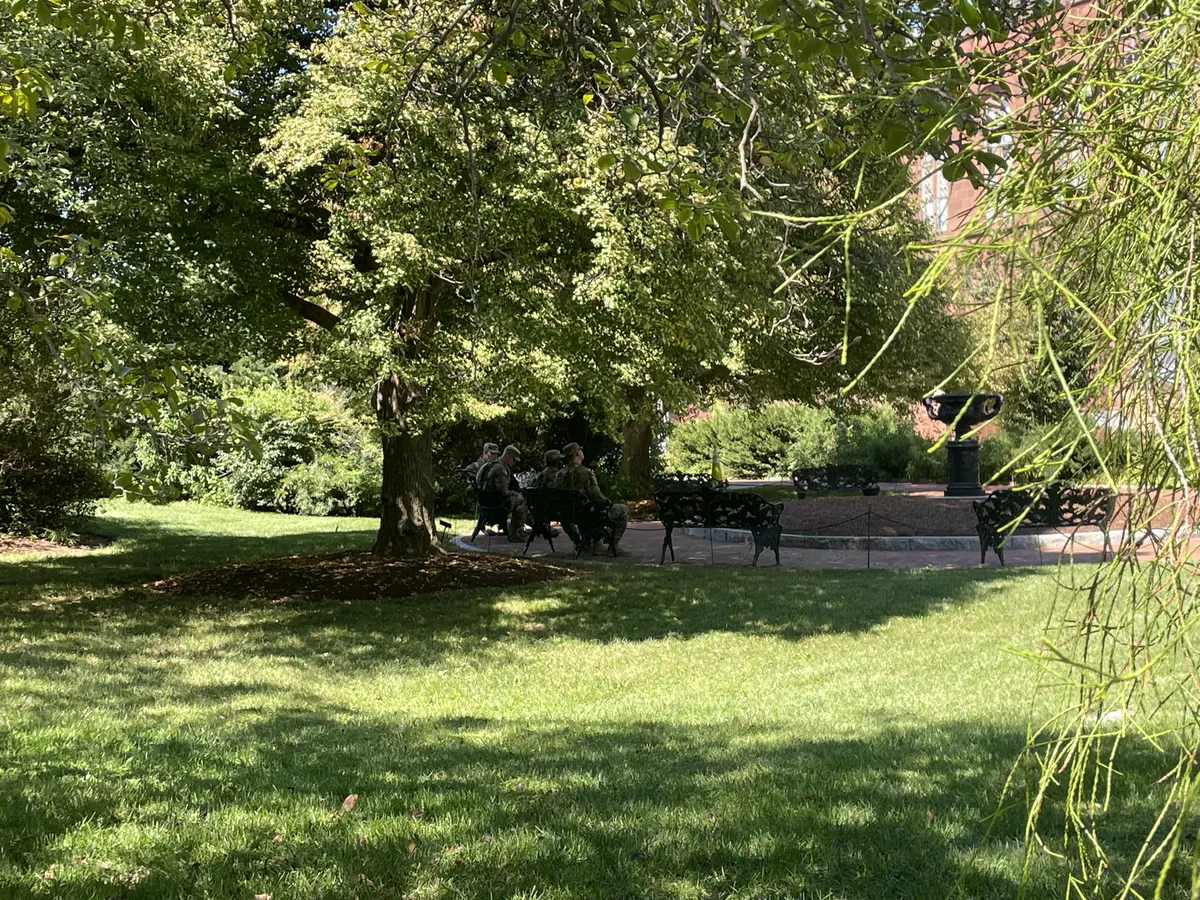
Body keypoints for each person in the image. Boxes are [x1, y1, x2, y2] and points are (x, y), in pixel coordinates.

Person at [555, 442, 628, 553]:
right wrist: (608, 502)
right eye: (580, 450)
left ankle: (589, 544)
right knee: (623, 510)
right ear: (577, 454)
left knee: (590, 510)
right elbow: (596, 495)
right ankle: (614, 545)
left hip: (569, 513)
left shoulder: (560, 474)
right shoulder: (585, 472)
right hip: (588, 513)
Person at [476, 444, 527, 540]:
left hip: (485, 501)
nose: (514, 462)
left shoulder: (491, 464)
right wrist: (516, 494)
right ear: (508, 456)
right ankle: (515, 533)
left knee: (518, 498)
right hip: (495, 503)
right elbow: (504, 492)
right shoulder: (500, 469)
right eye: (513, 459)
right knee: (521, 501)